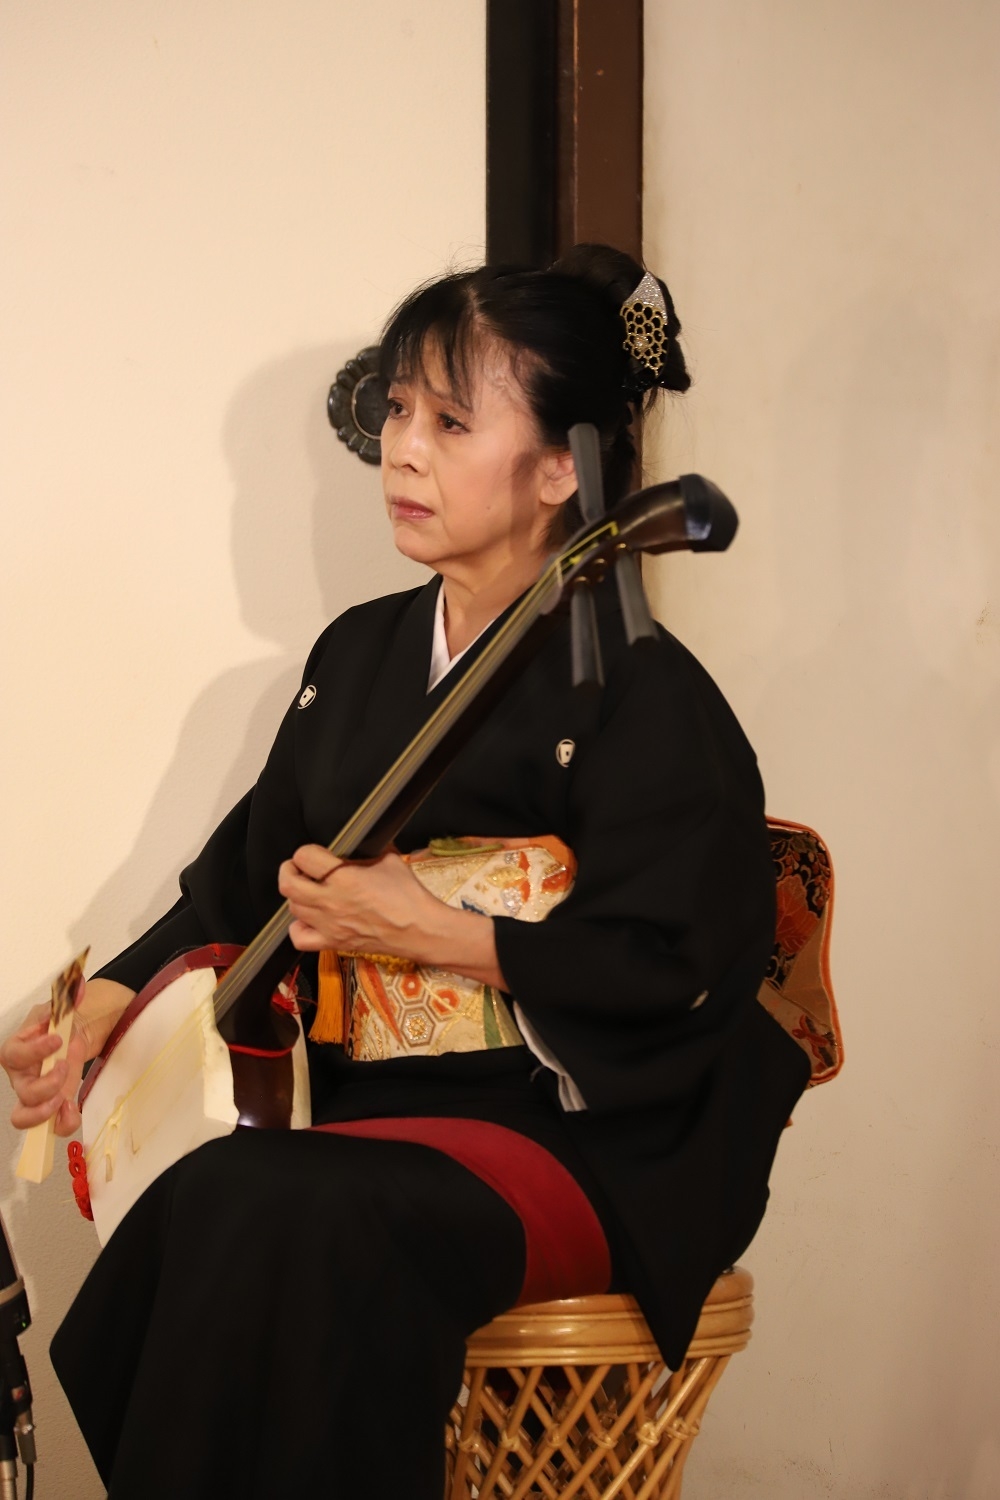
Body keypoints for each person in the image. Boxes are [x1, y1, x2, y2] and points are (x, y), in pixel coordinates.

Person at [1, 244, 810, 1498]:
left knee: (283, 1210)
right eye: (394, 412)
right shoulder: (360, 655)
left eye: (449, 421)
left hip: (574, 1131)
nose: (401, 452)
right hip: (368, 1113)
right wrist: (105, 1002)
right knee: (216, 1199)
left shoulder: (644, 689)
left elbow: (684, 962)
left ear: (561, 468)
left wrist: (440, 932)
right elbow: (246, 879)